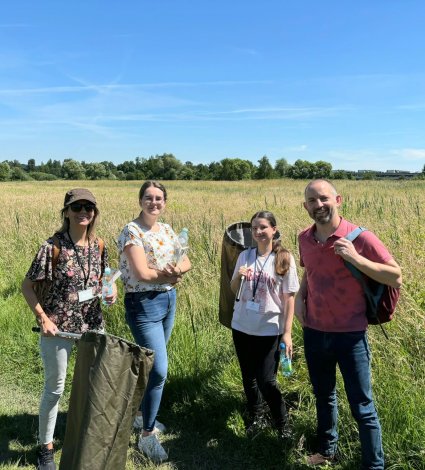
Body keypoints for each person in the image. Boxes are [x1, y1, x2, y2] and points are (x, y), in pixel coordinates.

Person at [296, 179, 402, 469]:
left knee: (362, 406)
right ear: (305, 206)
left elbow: (395, 276)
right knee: (323, 396)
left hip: (351, 335)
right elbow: (310, 272)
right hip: (315, 332)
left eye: (324, 198)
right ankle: (327, 451)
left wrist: (356, 258)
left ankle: (373, 465)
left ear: (338, 199)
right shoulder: (304, 238)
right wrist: (299, 299)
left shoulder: (361, 238)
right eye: (312, 201)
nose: (319, 205)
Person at [22, 188, 117, 470]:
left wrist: (111, 293)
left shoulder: (99, 245)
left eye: (89, 207)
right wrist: (43, 318)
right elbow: (27, 286)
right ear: (66, 212)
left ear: (95, 212)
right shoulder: (52, 247)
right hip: (57, 328)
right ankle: (46, 449)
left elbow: (105, 281)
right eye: (77, 207)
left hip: (92, 326)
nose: (84, 212)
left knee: (92, 387)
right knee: (55, 389)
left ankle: (85, 439)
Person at [117, 181, 191, 463]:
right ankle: (147, 435)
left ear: (165, 202)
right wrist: (169, 276)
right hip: (144, 303)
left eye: (159, 198)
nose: (154, 203)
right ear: (140, 201)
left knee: (150, 366)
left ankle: (138, 415)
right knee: (159, 370)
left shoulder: (168, 229)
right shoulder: (131, 231)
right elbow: (141, 274)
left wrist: (176, 270)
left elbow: (186, 262)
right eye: (148, 198)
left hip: (168, 301)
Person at [230, 211, 299, 439]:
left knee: (267, 381)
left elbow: (289, 298)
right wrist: (238, 277)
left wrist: (287, 333)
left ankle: (282, 423)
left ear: (274, 230)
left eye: (263, 227)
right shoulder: (245, 256)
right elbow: (233, 290)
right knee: (248, 377)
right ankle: (256, 416)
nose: (258, 232)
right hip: (241, 326)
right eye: (254, 228)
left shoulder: (284, 258)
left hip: (269, 329)